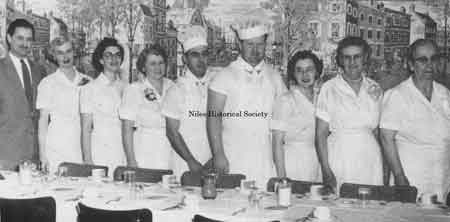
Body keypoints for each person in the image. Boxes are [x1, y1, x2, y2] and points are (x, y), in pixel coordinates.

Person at [207, 19, 287, 188]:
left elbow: (283, 116)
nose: (255, 50)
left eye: (260, 45)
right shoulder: (224, 76)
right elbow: (213, 119)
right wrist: (218, 155)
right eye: (250, 44)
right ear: (240, 44)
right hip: (233, 154)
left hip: (264, 156)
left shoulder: (275, 77)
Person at [380, 39, 450, 201]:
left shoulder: (445, 94)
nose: (429, 64)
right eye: (422, 60)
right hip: (410, 180)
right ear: (411, 65)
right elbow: (386, 139)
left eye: (433, 59)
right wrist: (399, 177)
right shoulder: (397, 95)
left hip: (442, 179)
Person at [315, 37, 384, 191]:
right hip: (339, 156)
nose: (352, 62)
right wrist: (326, 169)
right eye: (347, 57)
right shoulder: (329, 88)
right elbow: (320, 134)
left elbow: (377, 131)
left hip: (369, 158)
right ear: (340, 60)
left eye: (357, 56)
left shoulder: (375, 88)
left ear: (365, 58)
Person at [161, 25, 214, 177]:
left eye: (204, 54)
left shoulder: (217, 86)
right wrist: (191, 161)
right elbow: (172, 132)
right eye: (194, 55)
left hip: (212, 162)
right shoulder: (177, 90)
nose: (201, 59)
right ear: (185, 59)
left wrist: (215, 157)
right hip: (184, 163)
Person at [36, 36, 91, 173]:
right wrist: (43, 156)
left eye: (68, 51)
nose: (65, 56)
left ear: (74, 52)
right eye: (60, 53)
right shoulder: (47, 83)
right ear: (54, 56)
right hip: (56, 147)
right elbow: (43, 121)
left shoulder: (88, 81)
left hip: (81, 146)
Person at [120, 44, 175, 169]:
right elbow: (126, 129)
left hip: (169, 152)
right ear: (144, 67)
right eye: (152, 63)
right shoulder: (134, 89)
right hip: (144, 153)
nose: (158, 68)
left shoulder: (173, 87)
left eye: (161, 63)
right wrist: (131, 161)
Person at [271, 50, 322, 181]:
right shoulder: (286, 100)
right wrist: (282, 178)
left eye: (309, 69)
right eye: (299, 70)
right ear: (293, 74)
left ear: (317, 71)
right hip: (292, 163)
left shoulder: (322, 98)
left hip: (316, 161)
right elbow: (277, 142)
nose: (305, 75)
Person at [0, 19, 42, 170]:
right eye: (20, 38)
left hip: (34, 158)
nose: (25, 43)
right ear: (9, 38)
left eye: (29, 39)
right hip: (5, 158)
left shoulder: (39, 71)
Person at [80, 38, 126, 175]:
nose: (114, 59)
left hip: (123, 153)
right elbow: (86, 129)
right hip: (101, 152)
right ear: (101, 60)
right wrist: (88, 160)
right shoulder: (89, 89)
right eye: (108, 55)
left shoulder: (128, 88)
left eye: (117, 55)